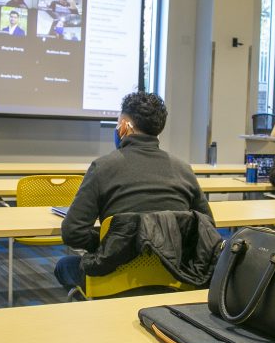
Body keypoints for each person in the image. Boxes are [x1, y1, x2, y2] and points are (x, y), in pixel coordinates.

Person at [54, 92, 213, 291]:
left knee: (63, 266)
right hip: (174, 276)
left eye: (118, 122)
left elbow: (72, 232)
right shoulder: (183, 169)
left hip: (113, 278)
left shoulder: (103, 167)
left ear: (125, 126)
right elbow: (207, 226)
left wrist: (111, 241)